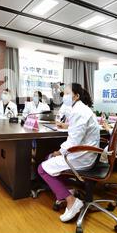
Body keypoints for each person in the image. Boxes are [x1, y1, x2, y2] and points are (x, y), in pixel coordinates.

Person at [38, 83, 100, 222]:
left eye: (66, 93)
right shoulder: (80, 109)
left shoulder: (79, 111)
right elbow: (79, 129)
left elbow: (73, 141)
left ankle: (71, 201)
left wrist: (59, 152)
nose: (64, 96)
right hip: (85, 153)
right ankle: (67, 190)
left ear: (76, 96)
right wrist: (66, 126)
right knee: (48, 158)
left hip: (82, 156)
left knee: (42, 168)